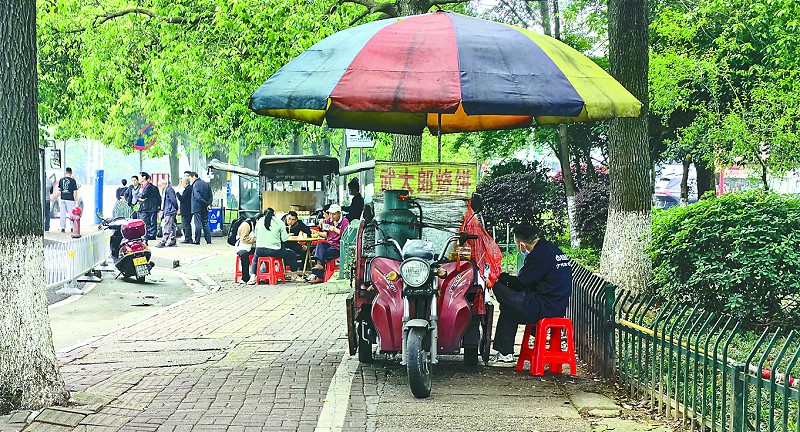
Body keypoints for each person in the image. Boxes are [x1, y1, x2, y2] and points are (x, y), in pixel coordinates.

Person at [487, 224, 573, 367]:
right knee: (509, 308)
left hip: (545, 306)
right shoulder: (550, 249)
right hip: (556, 303)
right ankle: (506, 354)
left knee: (504, 298)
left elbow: (521, 282)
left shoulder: (538, 255)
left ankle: (505, 355)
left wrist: (499, 278)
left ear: (522, 245)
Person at [249, 208, 300, 284]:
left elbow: (256, 235)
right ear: (274, 214)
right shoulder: (279, 222)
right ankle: (294, 276)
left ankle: (252, 277)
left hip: (260, 250)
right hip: (274, 251)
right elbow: (284, 239)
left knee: (256, 258)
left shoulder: (259, 221)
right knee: (292, 254)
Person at [307, 204, 349, 284]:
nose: (331, 216)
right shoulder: (329, 220)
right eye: (330, 214)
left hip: (339, 247)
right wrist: (320, 226)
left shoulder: (345, 222)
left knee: (321, 253)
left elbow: (346, 235)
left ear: (339, 213)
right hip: (330, 243)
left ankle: (320, 275)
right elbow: (325, 232)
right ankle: (320, 268)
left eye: (334, 214)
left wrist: (335, 229)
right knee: (319, 246)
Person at [235, 213, 259, 284]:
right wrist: (255, 240)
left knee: (261, 252)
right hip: (242, 247)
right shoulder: (246, 225)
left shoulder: (256, 226)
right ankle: (245, 277)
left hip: (252, 246)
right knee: (244, 255)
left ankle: (260, 275)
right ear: (257, 220)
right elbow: (244, 239)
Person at [189, 171, 213, 245]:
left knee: (198, 223)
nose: (190, 180)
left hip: (197, 207)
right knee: (205, 223)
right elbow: (210, 196)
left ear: (194, 177)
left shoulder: (195, 185)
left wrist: (204, 203)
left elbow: (197, 197)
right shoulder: (206, 184)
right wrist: (208, 204)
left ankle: (197, 240)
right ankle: (208, 240)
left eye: (190, 178)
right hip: (205, 207)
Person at [137, 172, 161, 241]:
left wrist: (140, 197)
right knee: (146, 222)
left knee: (152, 221)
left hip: (151, 207)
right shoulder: (141, 187)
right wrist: (139, 198)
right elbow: (138, 195)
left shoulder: (149, 186)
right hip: (145, 207)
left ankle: (152, 235)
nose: (139, 178)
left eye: (140, 177)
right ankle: (148, 234)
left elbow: (143, 195)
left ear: (144, 177)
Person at [157, 179, 178, 248]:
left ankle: (164, 241)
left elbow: (173, 200)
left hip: (169, 210)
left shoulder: (169, 190)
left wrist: (176, 208)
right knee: (172, 226)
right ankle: (173, 240)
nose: (159, 187)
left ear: (164, 184)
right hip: (169, 210)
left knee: (167, 226)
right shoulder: (167, 190)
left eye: (160, 185)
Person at [57, 167, 78, 233]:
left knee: (62, 214)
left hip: (63, 198)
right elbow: (75, 192)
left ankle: (62, 228)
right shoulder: (73, 181)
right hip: (70, 199)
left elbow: (59, 189)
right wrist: (76, 201)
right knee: (71, 214)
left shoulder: (61, 180)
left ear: (66, 172)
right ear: (71, 172)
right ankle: (72, 227)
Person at [177, 175, 193, 243]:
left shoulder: (188, 190)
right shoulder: (189, 189)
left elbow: (182, 199)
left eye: (183, 183)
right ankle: (188, 238)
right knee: (187, 224)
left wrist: (177, 193)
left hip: (186, 210)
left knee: (185, 225)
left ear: (186, 183)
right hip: (188, 210)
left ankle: (188, 238)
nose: (182, 184)